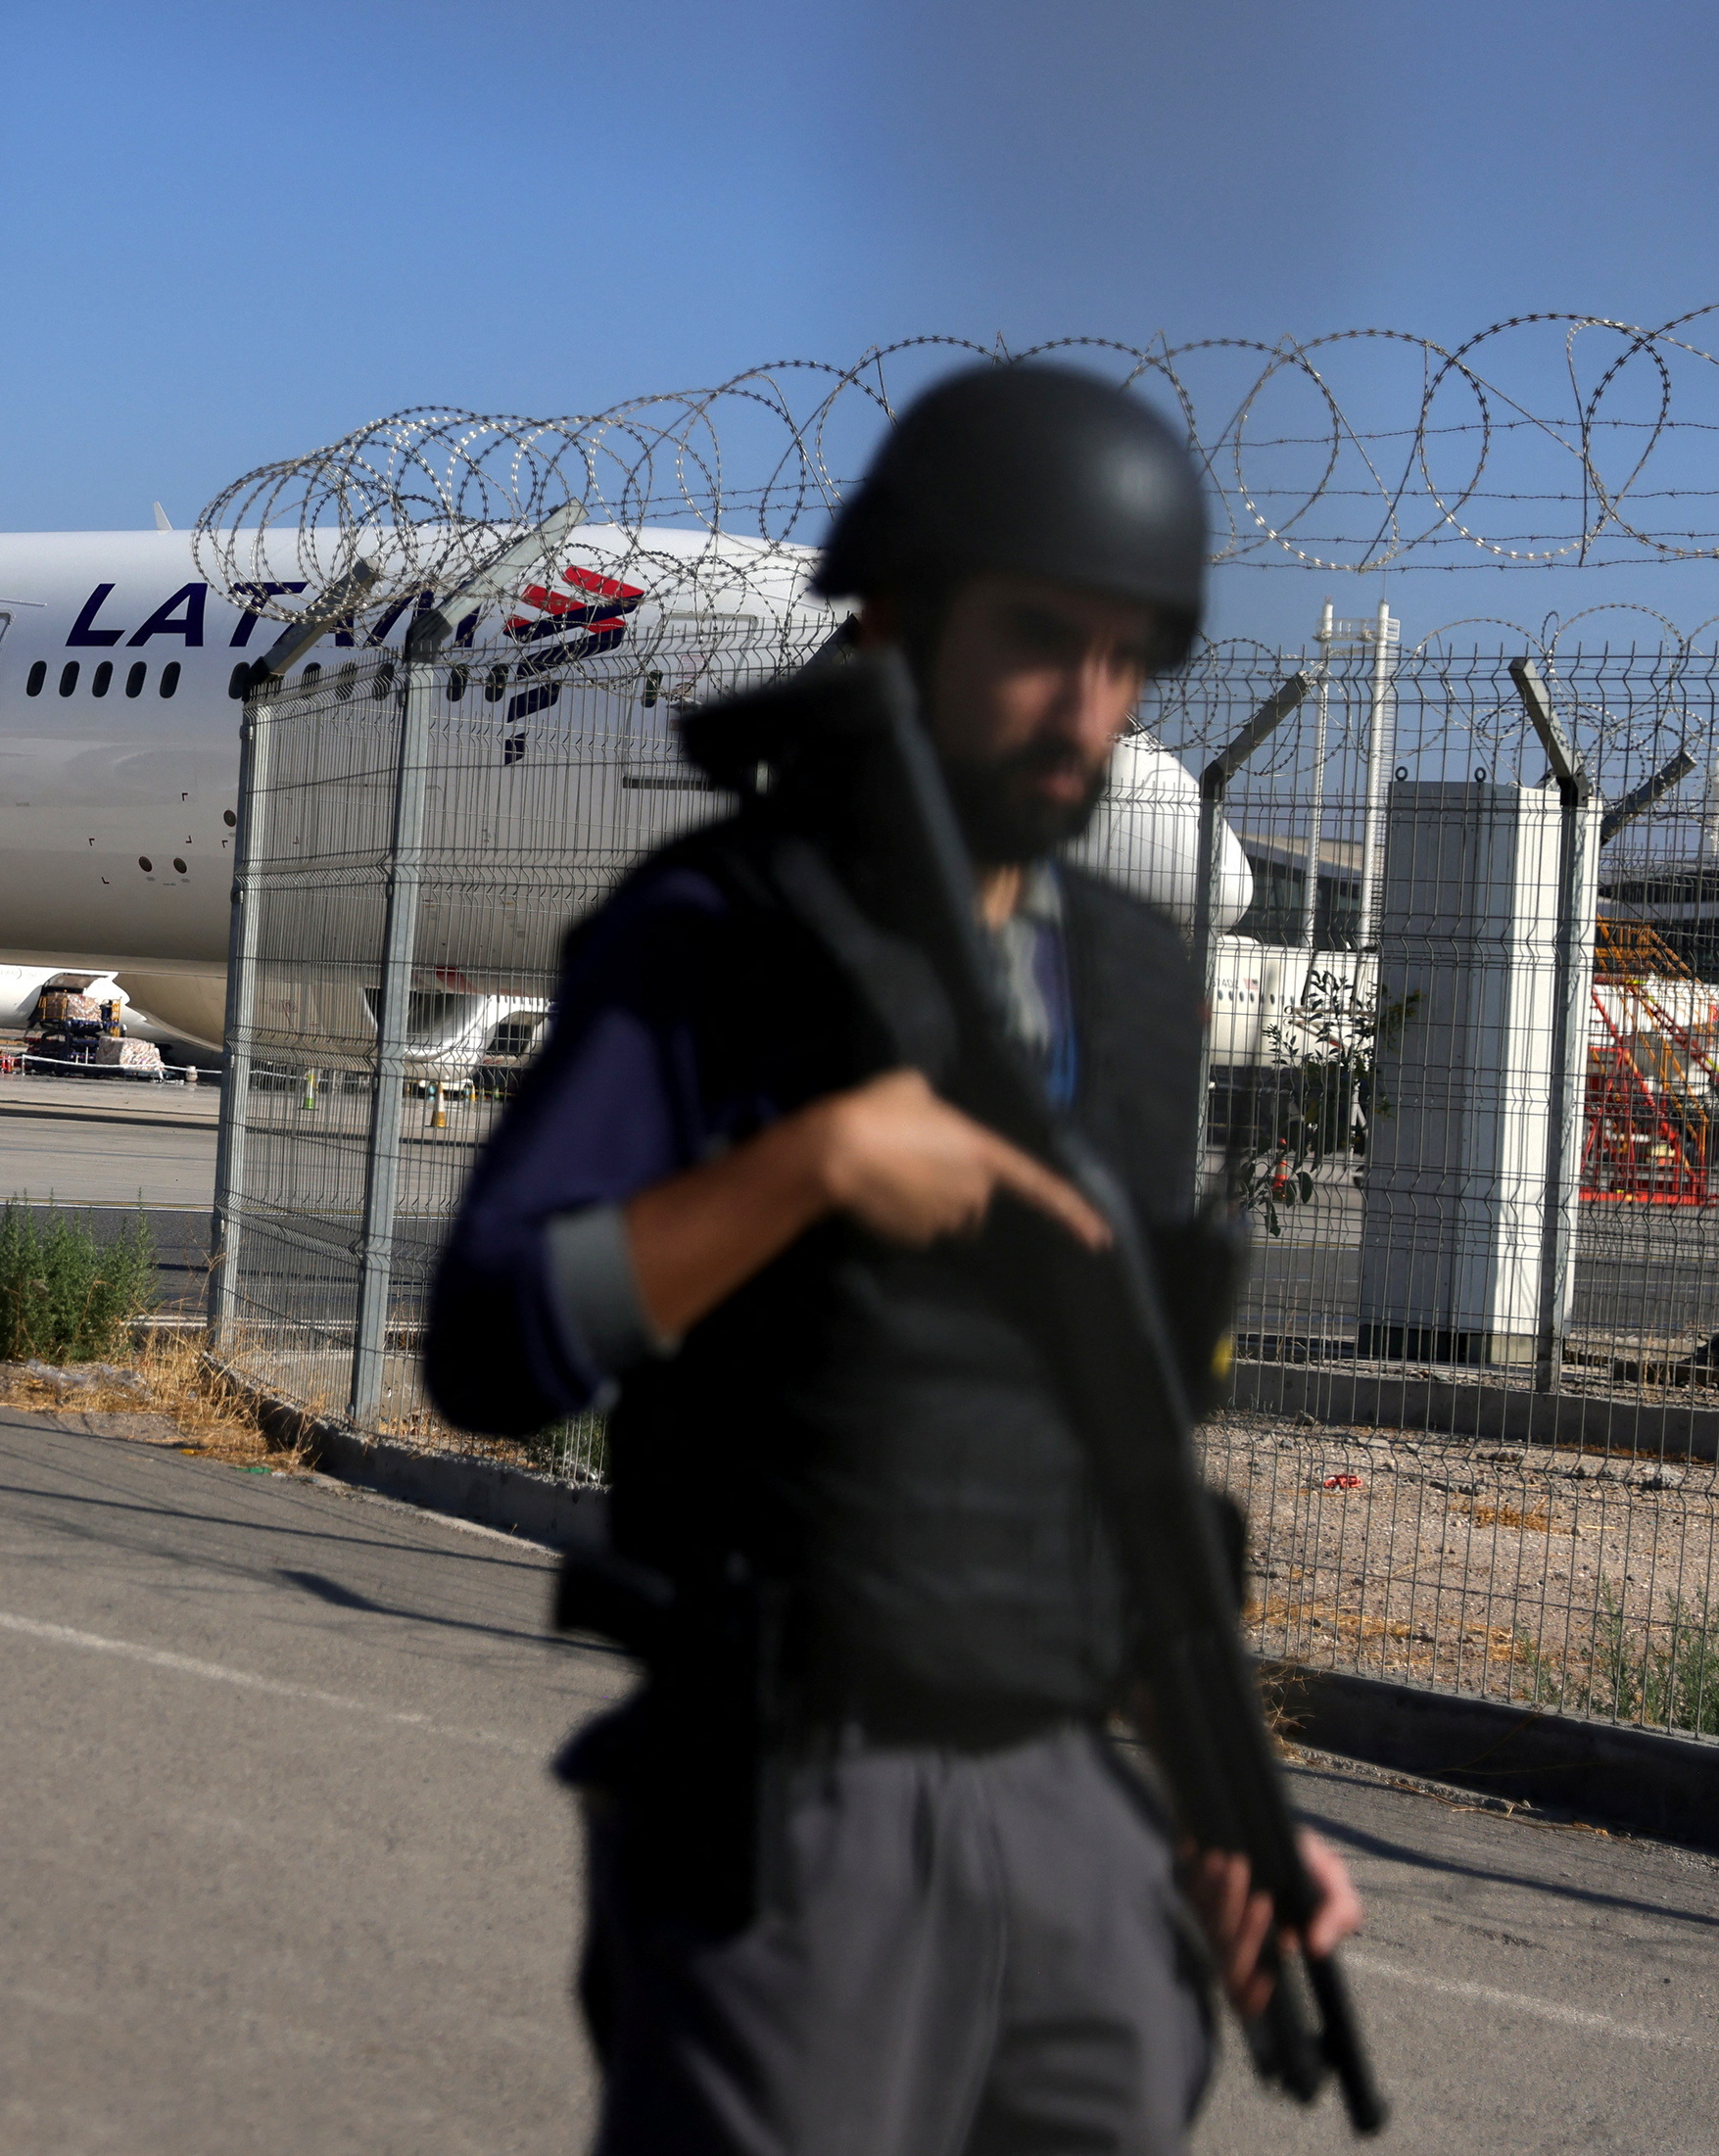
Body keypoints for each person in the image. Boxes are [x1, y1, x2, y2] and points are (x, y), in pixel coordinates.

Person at [424, 364, 1363, 2156]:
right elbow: (491, 1342)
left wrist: (1228, 1796)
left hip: (1079, 1822)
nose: (1087, 705)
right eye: (1039, 639)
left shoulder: (1143, 990)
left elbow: (1119, 1449)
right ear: (894, 623)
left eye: (1130, 656)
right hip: (799, 1805)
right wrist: (813, 1165)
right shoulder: (723, 935)